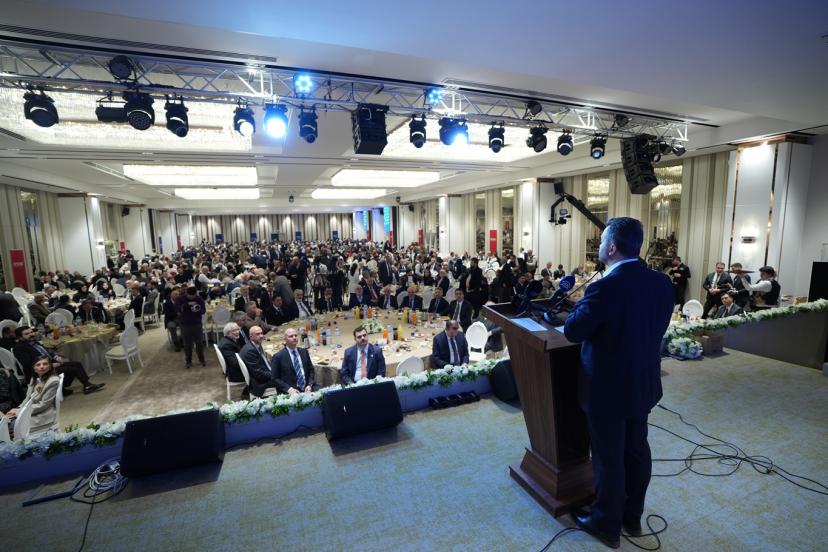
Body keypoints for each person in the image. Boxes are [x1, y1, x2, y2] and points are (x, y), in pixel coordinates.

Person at [563, 217, 674, 548]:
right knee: (636, 450)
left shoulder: (604, 287)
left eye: (601, 242)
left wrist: (580, 308)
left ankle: (605, 524)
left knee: (608, 457)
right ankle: (632, 517)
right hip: (642, 383)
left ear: (611, 248)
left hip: (607, 389)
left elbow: (573, 331)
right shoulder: (661, 283)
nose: (598, 247)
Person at [12, 326, 105, 395]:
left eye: (31, 332)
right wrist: (50, 365)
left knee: (77, 364)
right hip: (40, 372)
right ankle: (66, 388)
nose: (31, 335)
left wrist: (56, 357)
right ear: (20, 337)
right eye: (27, 334)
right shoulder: (19, 348)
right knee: (72, 369)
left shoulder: (33, 342)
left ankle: (86, 385)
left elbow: (47, 351)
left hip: (50, 365)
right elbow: (28, 364)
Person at [4, 356, 61, 434]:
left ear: (50, 366)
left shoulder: (52, 381)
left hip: (42, 415)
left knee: (8, 427)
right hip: (32, 411)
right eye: (38, 365)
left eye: (45, 364)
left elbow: (43, 405)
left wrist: (19, 412)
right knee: (6, 421)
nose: (42, 367)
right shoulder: (35, 379)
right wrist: (18, 408)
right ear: (34, 369)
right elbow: (27, 398)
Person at [271, 327, 318, 394]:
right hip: (291, 390)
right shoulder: (278, 357)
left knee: (325, 394)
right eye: (291, 336)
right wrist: (288, 389)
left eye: (295, 335)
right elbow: (274, 378)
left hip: (307, 388)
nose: (294, 338)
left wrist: (309, 384)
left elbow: (311, 370)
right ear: (285, 340)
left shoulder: (304, 352)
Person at [239, 325, 279, 398]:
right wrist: (275, 374)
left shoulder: (255, 344)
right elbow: (259, 374)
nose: (261, 336)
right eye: (258, 334)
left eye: (261, 333)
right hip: (260, 383)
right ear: (251, 336)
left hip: (263, 374)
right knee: (287, 377)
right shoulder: (250, 351)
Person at [175, 286, 206, 368]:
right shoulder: (180, 299)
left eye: (193, 296)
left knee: (199, 343)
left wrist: (197, 310)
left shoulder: (199, 299)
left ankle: (202, 359)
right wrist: (187, 304)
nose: (192, 298)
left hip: (197, 324)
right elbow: (177, 310)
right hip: (185, 324)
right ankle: (188, 361)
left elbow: (203, 310)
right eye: (190, 296)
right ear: (186, 293)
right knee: (187, 344)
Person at [218, 322, 246, 393]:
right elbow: (236, 363)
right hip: (236, 374)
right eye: (234, 330)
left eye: (238, 329)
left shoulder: (230, 340)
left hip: (235, 370)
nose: (237, 332)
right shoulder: (227, 345)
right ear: (227, 333)